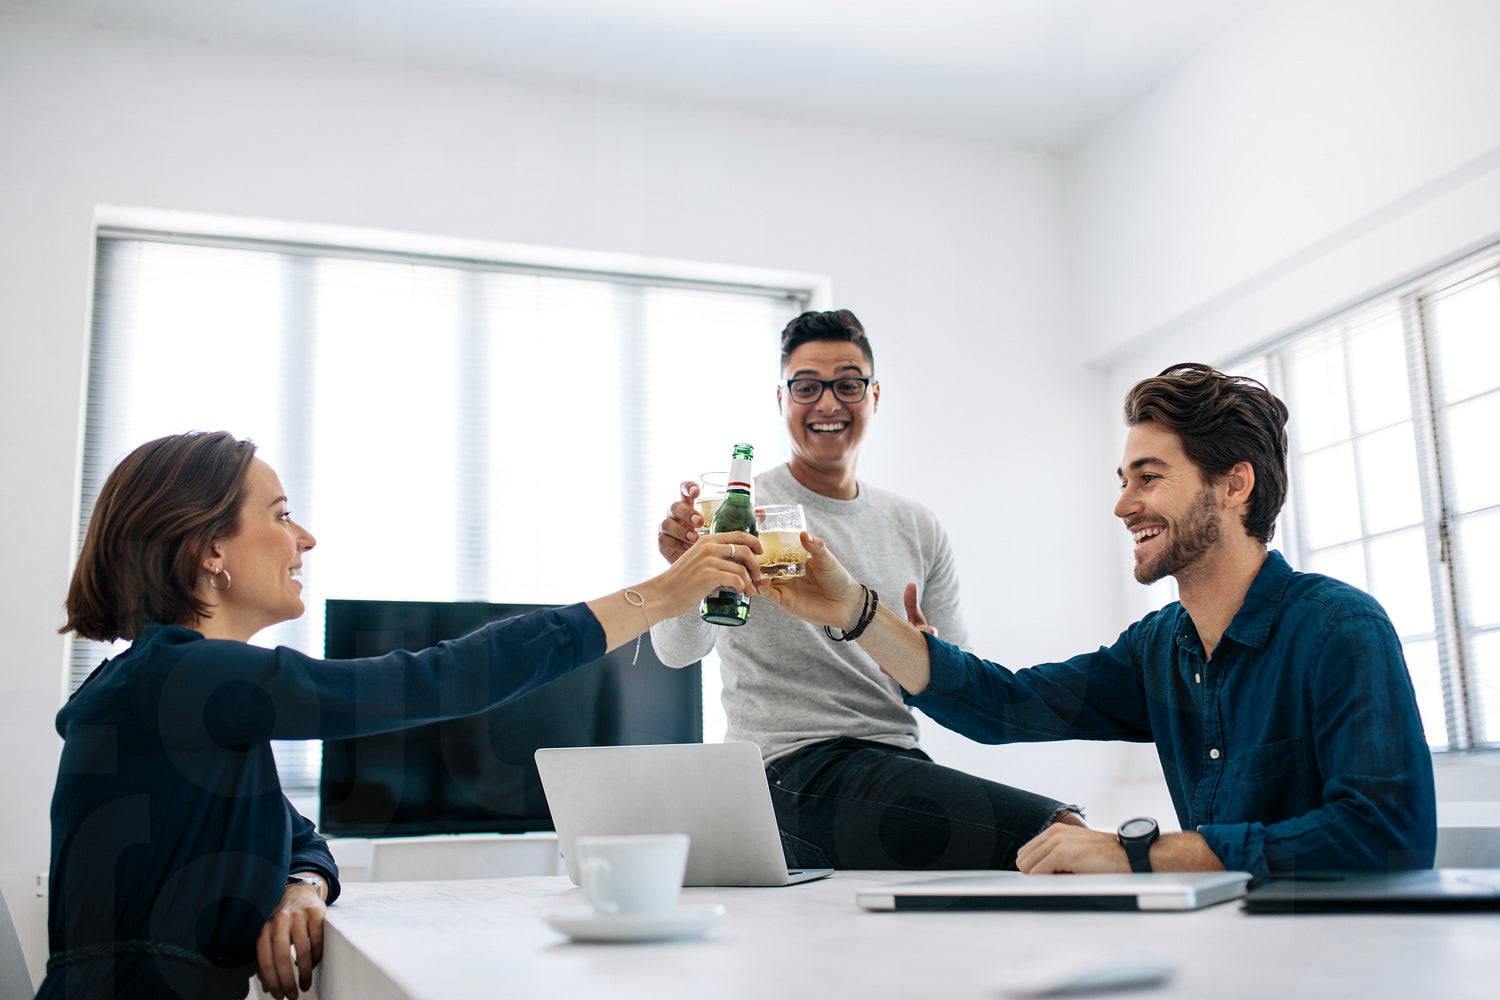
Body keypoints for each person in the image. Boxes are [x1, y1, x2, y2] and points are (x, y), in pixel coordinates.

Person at [42, 431, 759, 1000]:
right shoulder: (181, 680)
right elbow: (439, 681)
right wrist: (660, 596)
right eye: (281, 515)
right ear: (210, 547)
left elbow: (301, 840)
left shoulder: (185, 699)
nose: (306, 538)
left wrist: (301, 887)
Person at [760, 362, 1438, 875]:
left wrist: (1137, 853)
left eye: (1149, 477)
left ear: (1234, 485)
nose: (1122, 505)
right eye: (1123, 480)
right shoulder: (1158, 649)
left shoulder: (1339, 629)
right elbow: (1006, 705)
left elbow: (1386, 833)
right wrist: (855, 611)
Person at [652, 309, 1079, 871]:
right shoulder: (740, 508)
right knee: (1057, 834)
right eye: (807, 386)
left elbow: (963, 681)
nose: (827, 403)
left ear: (874, 396)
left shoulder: (916, 525)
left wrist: (921, 654)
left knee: (1037, 856)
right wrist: (688, 574)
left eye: (848, 385)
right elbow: (676, 652)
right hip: (786, 770)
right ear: (781, 399)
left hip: (895, 764)